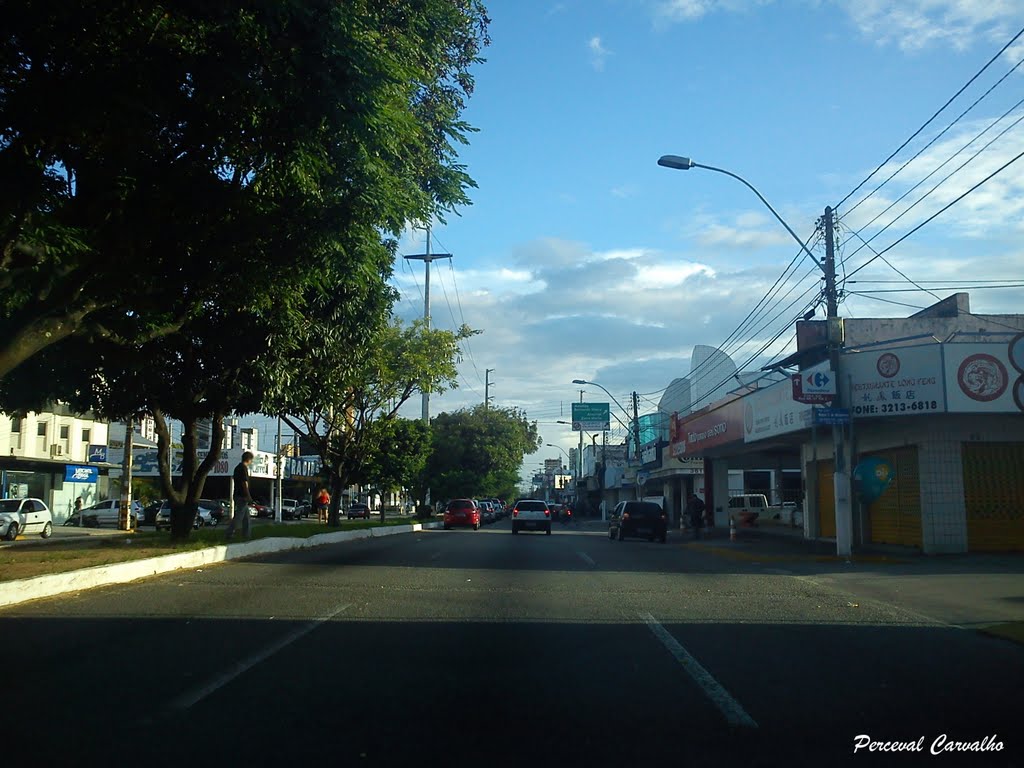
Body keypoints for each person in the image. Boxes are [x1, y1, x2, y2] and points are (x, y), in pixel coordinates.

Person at [226, 451, 254, 541]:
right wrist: (248, 495)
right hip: (242, 496)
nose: (251, 462)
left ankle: (247, 535)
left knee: (246, 517)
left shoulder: (237, 468)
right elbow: (244, 483)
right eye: (251, 460)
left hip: (237, 494)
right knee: (239, 516)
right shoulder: (243, 468)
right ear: (249, 459)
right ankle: (229, 533)